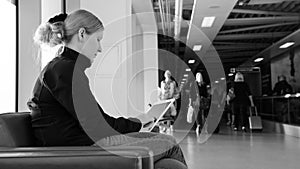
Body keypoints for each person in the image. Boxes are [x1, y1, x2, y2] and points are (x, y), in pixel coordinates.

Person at [27, 10, 187, 168]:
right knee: (169, 143)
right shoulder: (64, 70)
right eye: (97, 39)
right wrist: (137, 123)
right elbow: (98, 126)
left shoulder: (63, 68)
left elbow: (95, 121)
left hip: (84, 142)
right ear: (82, 34)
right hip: (78, 149)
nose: (100, 48)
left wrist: (137, 123)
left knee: (166, 160)